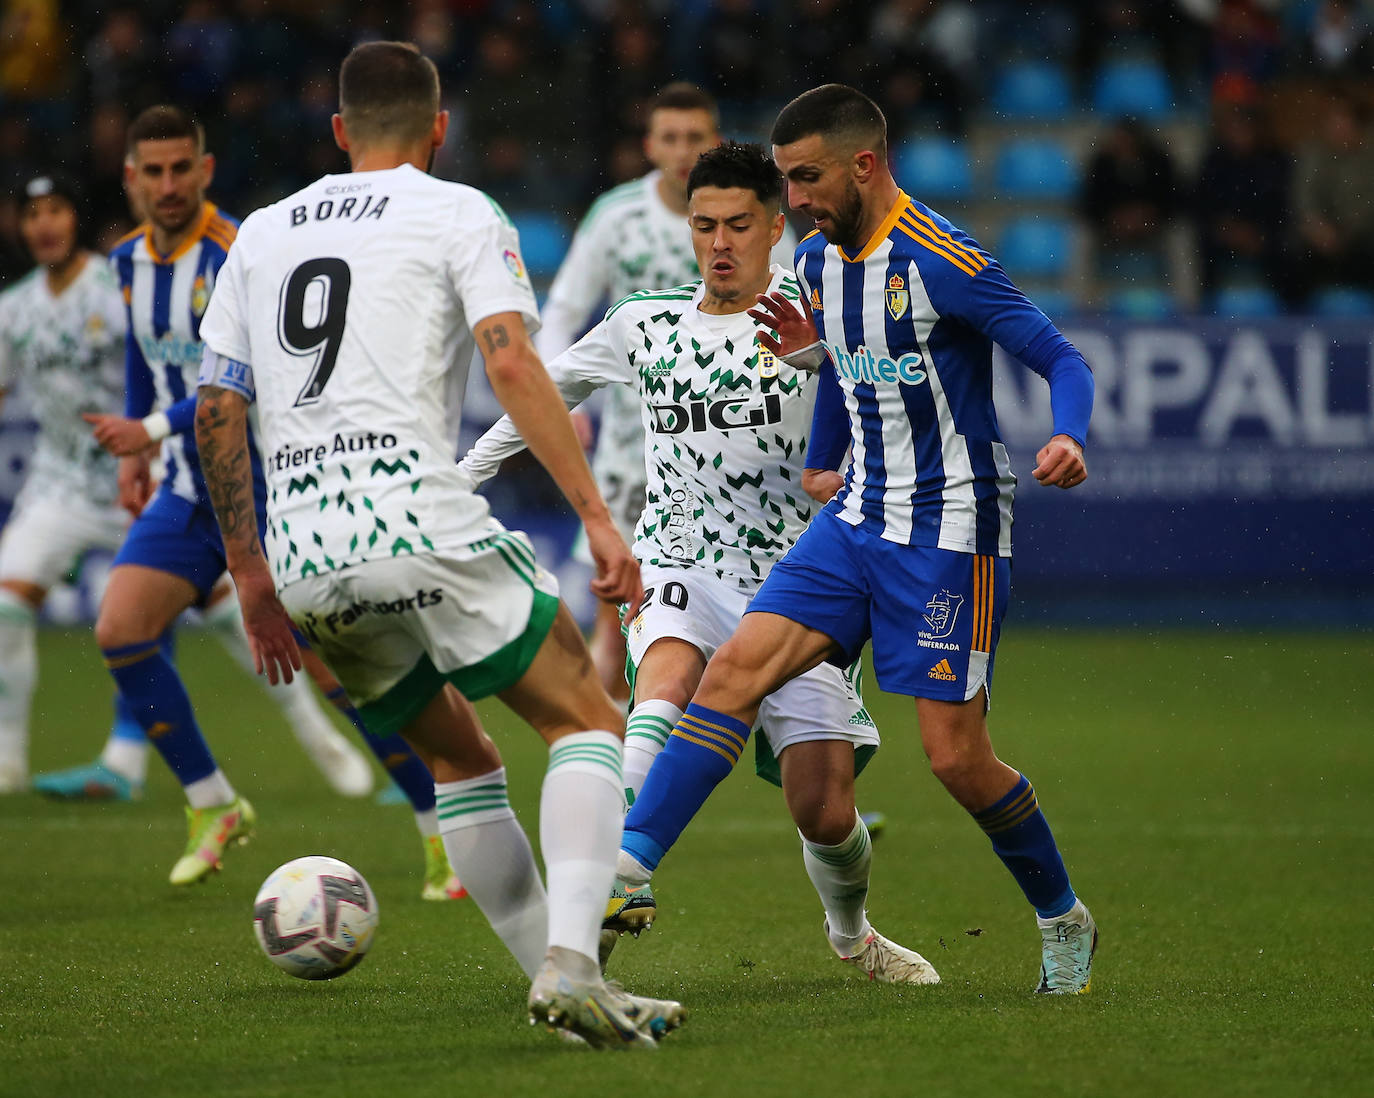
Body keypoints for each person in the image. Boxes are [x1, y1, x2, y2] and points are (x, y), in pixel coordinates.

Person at [194, 41, 683, 1048]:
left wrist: (250, 575)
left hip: (306, 552)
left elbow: (215, 409)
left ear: (337, 131)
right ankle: (575, 963)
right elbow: (511, 362)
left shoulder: (262, 233)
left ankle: (564, 1004)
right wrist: (595, 512)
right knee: (587, 719)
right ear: (439, 128)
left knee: (460, 762)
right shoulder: (459, 210)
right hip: (416, 516)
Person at [615, 84, 1098, 996]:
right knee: (731, 674)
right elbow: (843, 366)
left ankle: (1062, 915)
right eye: (787, 181)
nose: (792, 199)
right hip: (855, 518)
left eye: (806, 179)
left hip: (949, 529)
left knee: (956, 759)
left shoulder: (943, 261)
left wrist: (1069, 433)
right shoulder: (816, 259)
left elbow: (1061, 357)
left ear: (863, 166)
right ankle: (628, 867)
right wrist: (824, 455)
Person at [459, 142, 933, 985]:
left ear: (774, 227)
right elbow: (544, 389)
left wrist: (822, 359)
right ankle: (611, 879)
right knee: (665, 680)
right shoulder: (645, 321)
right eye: (704, 225)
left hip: (797, 581)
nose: (720, 243)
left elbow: (898, 409)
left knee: (824, 811)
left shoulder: (822, 315)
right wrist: (467, 477)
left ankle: (852, 933)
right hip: (678, 555)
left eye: (739, 226)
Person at [29, 104, 372, 888]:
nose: (169, 184)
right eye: (152, 171)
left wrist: (147, 428)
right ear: (131, 178)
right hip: (188, 489)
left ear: (206, 169)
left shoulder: (242, 250)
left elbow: (243, 383)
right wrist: (136, 453)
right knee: (121, 629)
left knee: (337, 664)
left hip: (274, 487)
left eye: (182, 167)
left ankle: (437, 803)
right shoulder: (126, 263)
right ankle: (213, 801)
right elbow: (149, 366)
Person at [537, 83, 796, 708]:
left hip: (730, 451)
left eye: (695, 137)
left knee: (762, 638)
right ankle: (616, 774)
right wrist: (557, 403)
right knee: (620, 627)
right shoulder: (615, 216)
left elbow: (796, 306)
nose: (682, 150)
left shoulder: (750, 216)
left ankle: (808, 772)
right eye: (670, 137)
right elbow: (562, 311)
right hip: (632, 456)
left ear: (715, 142)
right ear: (650, 144)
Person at [0, 174, 130, 794]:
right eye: (33, 214)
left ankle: (319, 736)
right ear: (20, 226)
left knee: (231, 621)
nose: (44, 224)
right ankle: (7, 760)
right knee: (4, 607)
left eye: (56, 210)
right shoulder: (14, 308)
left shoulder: (116, 288)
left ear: (74, 218)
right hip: (59, 484)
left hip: (138, 480)